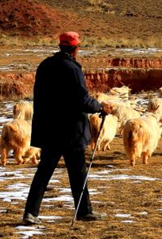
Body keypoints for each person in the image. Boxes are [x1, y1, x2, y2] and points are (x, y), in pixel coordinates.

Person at [22, 31, 111, 225]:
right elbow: (82, 100)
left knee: (44, 172)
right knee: (78, 172)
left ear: (61, 46)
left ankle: (30, 213)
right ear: (76, 48)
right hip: (71, 131)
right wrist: (100, 107)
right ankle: (84, 211)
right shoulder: (72, 68)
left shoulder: (45, 66)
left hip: (49, 129)